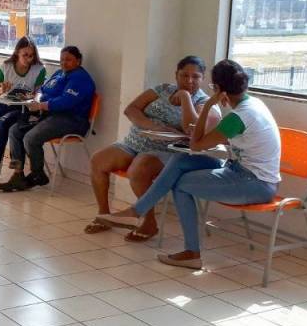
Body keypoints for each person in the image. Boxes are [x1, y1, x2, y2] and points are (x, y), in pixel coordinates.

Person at [101, 59, 281, 270]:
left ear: (217, 89)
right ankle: (137, 212)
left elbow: (196, 144)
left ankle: (191, 252)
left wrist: (209, 105)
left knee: (180, 184)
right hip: (238, 170)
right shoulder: (253, 103)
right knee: (180, 160)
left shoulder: (238, 117)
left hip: (254, 183)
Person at [86, 56, 219, 241]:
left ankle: (148, 223)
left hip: (165, 151)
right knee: (98, 160)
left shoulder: (204, 102)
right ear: (176, 75)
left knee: (138, 170)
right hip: (134, 142)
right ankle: (104, 216)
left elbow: (192, 128)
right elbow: (131, 109)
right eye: (184, 75)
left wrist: (185, 97)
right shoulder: (162, 89)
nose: (189, 81)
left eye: (195, 77)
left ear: (203, 78)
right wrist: (154, 126)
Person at [0, 46, 96, 192]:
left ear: (78, 61)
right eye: (61, 60)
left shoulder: (80, 78)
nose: (64, 63)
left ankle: (37, 174)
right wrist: (34, 98)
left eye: (68, 60)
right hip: (49, 115)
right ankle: (18, 174)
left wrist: (41, 105)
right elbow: (42, 89)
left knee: (30, 138)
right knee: (14, 131)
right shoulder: (59, 73)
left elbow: (66, 102)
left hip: (72, 120)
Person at [0, 37, 47, 180]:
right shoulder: (5, 67)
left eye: (31, 56)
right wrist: (1, 90)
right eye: (25, 55)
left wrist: (34, 97)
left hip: (22, 108)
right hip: (3, 105)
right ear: (17, 52)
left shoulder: (39, 69)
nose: (29, 59)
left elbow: (40, 93)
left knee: (3, 122)